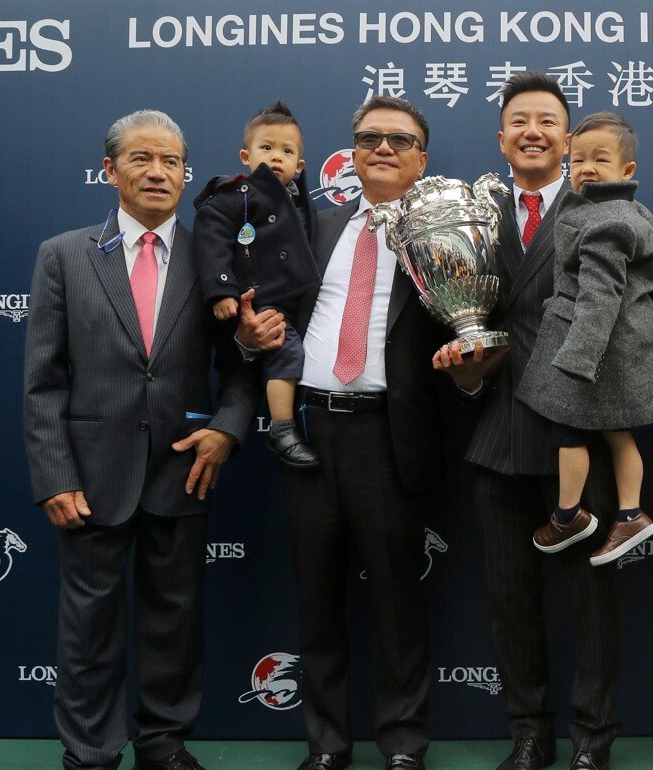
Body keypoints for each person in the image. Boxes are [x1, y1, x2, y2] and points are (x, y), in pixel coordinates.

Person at [23, 109, 258, 770]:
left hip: (183, 471)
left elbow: (242, 374)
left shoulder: (217, 261)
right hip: (91, 475)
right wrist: (54, 475)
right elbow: (42, 382)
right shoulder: (63, 257)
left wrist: (228, 430)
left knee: (173, 621)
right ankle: (91, 751)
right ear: (110, 170)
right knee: (88, 628)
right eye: (141, 159)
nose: (158, 172)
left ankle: (163, 743)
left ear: (185, 174)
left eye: (171, 162)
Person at [249, 95, 449, 770]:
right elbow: (277, 321)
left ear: (423, 158)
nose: (383, 148)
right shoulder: (316, 227)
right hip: (308, 435)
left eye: (400, 139)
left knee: (397, 601)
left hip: (388, 438)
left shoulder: (444, 238)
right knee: (317, 599)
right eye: (369, 138)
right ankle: (327, 744)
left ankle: (402, 744)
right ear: (352, 154)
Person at [433, 72, 621, 770]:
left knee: (592, 601)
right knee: (509, 602)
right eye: (519, 120)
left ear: (568, 138)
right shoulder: (472, 214)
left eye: (547, 119)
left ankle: (593, 738)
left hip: (582, 434)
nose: (533, 131)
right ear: (501, 136)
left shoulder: (601, 209)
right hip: (497, 430)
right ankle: (530, 734)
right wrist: (462, 365)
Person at [517, 110, 653, 566]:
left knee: (568, 431)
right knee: (618, 433)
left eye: (599, 160)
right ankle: (630, 513)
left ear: (627, 172)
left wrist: (578, 360)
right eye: (578, 159)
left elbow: (599, 296)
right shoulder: (629, 211)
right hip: (624, 346)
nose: (585, 168)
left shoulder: (605, 221)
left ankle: (569, 515)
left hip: (596, 345)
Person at [193, 100, 320, 468]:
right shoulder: (235, 196)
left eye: (286, 151)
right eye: (266, 148)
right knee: (288, 352)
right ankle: (282, 429)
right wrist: (221, 289)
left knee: (303, 357)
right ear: (245, 155)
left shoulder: (304, 203)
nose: (275, 157)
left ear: (299, 166)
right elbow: (212, 237)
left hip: (300, 302)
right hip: (259, 300)